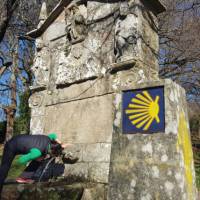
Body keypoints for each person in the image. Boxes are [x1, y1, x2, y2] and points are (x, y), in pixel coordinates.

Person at [0, 133, 65, 195]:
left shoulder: (48, 139)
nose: (52, 156)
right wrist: (35, 158)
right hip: (11, 146)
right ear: (52, 151)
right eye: (54, 155)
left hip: (19, 138)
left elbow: (53, 135)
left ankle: (23, 178)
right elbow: (21, 160)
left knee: (41, 157)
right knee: (4, 169)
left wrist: (60, 143)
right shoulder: (37, 152)